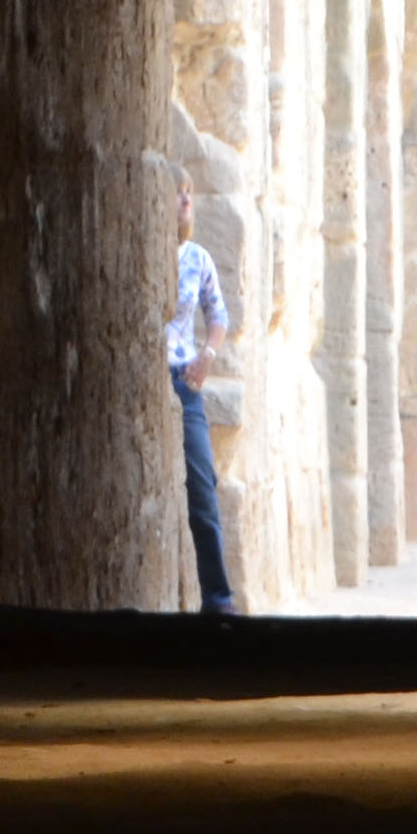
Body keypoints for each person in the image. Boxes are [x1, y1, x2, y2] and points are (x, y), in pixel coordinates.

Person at [166, 182, 241, 616]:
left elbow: (218, 312)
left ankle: (217, 598)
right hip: (148, 371)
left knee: (202, 487)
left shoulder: (197, 258)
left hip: (184, 380)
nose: (186, 199)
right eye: (177, 191)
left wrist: (208, 354)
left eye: (190, 191)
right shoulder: (148, 252)